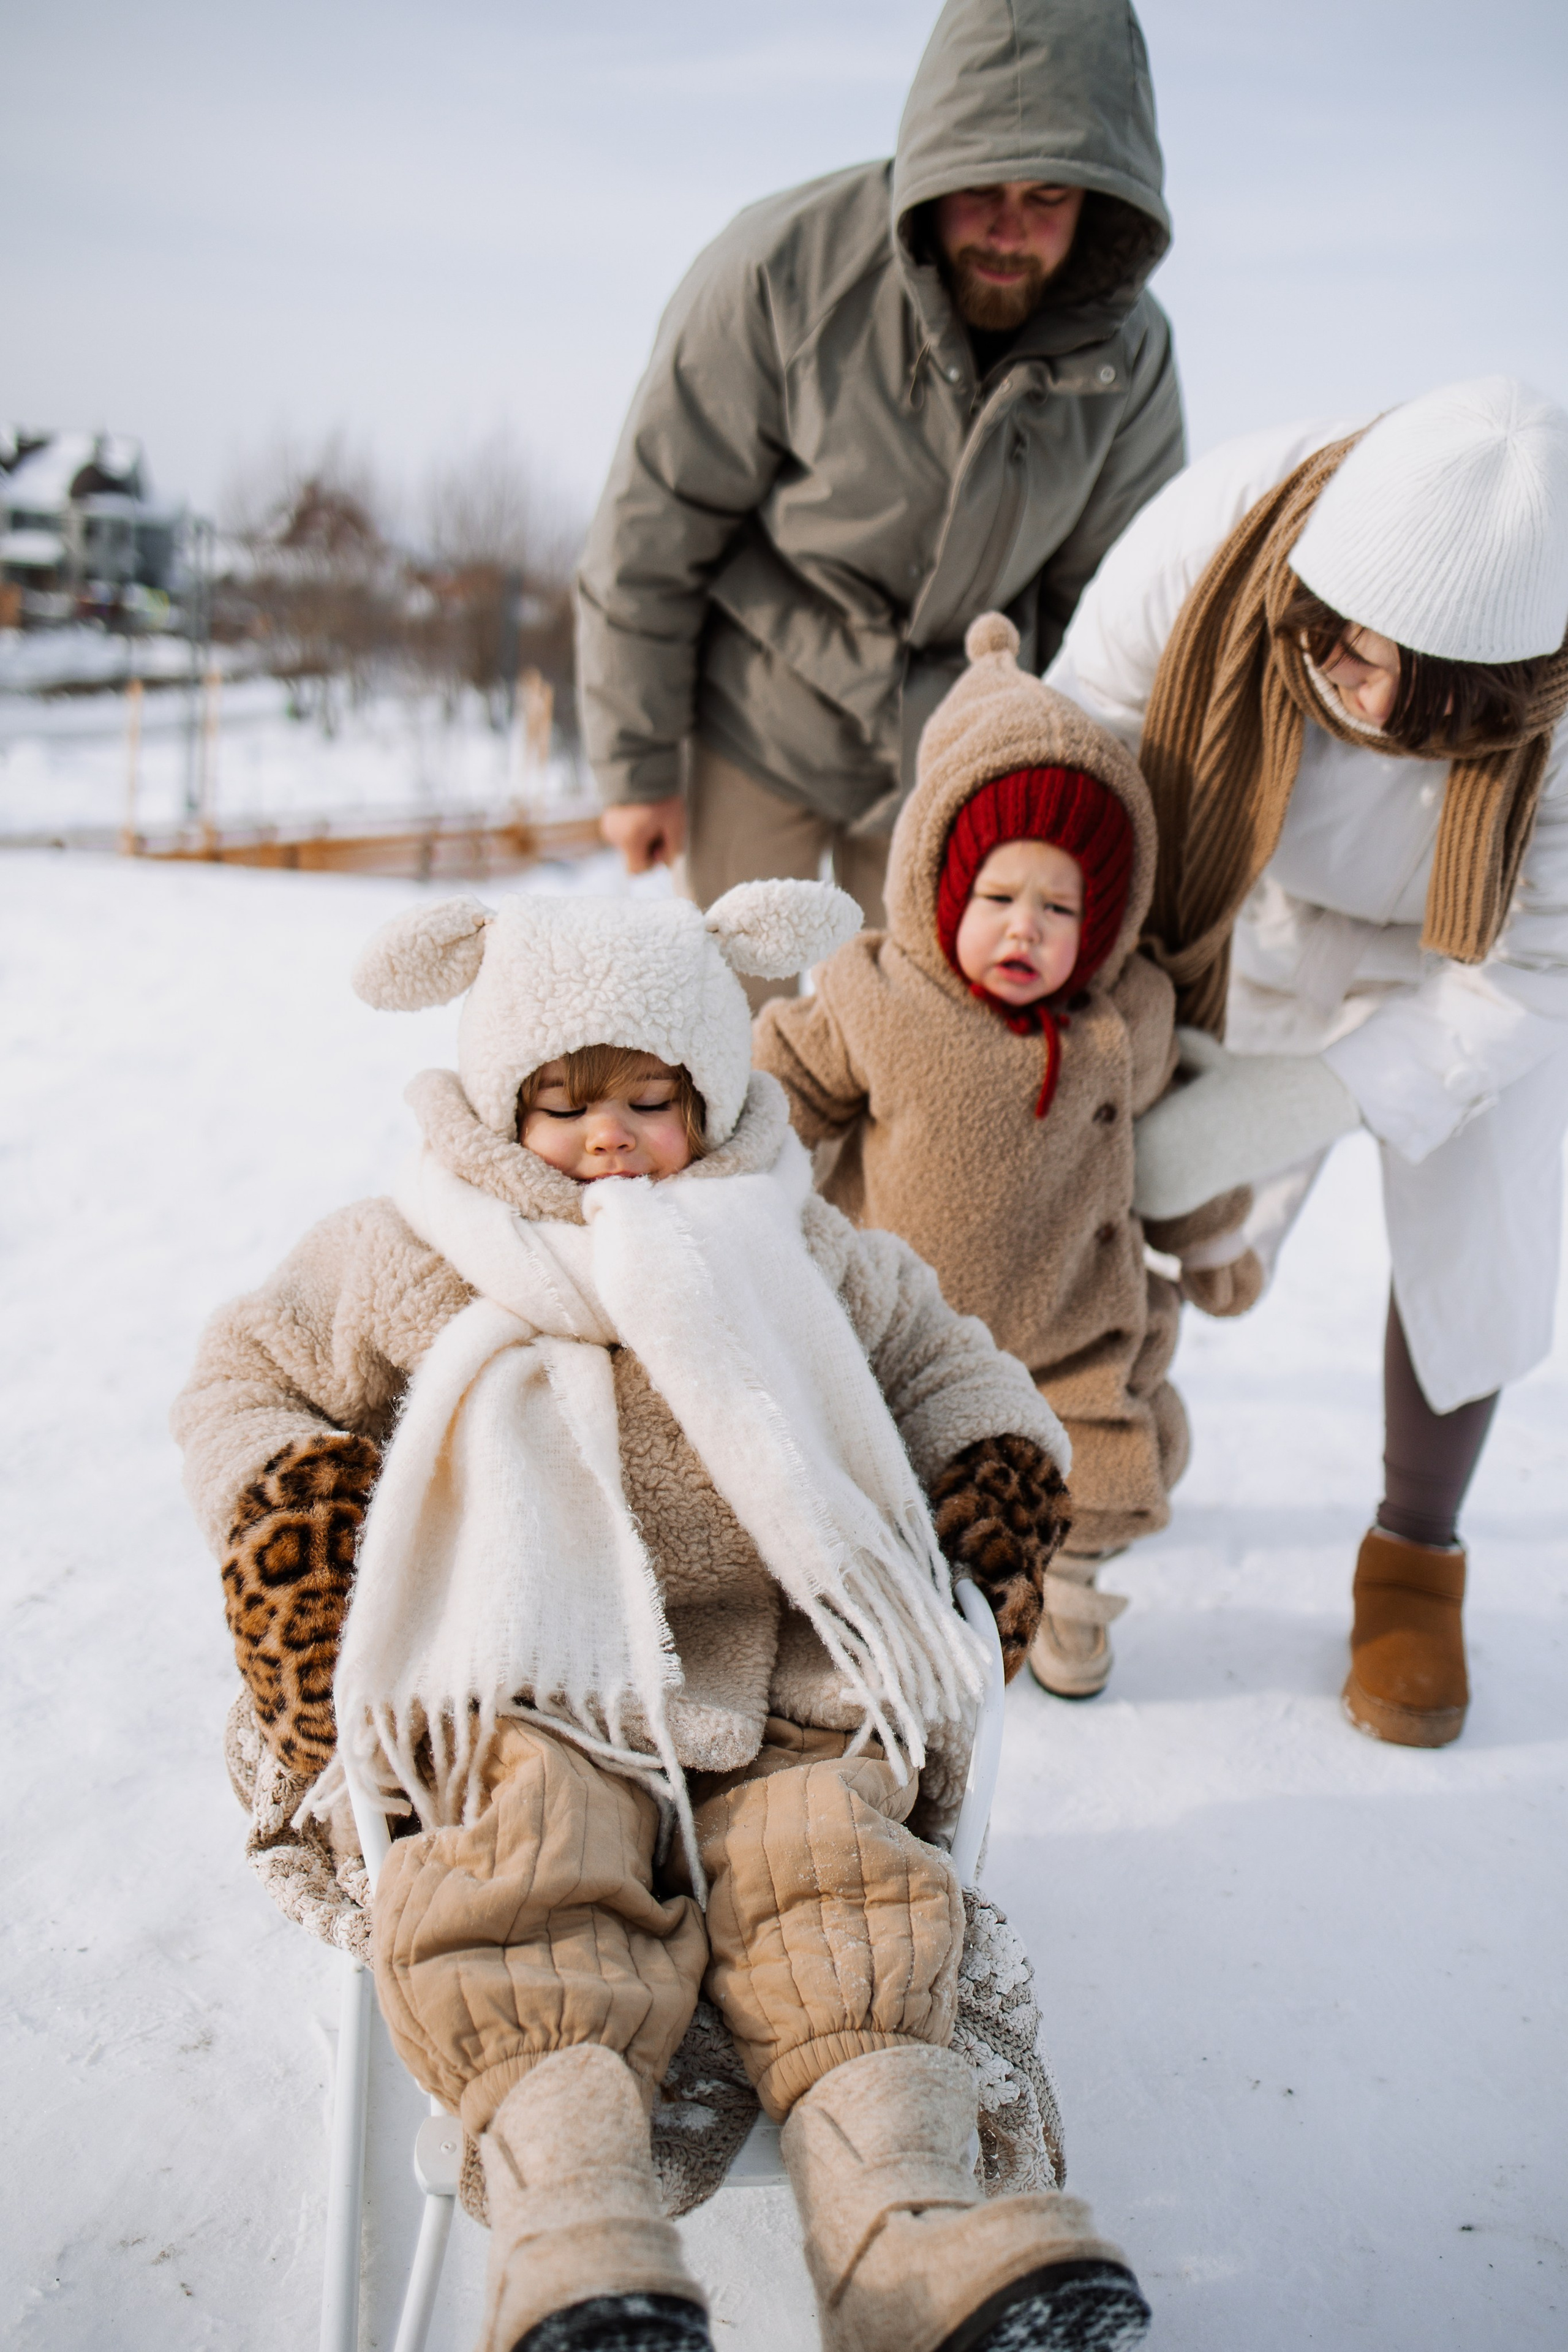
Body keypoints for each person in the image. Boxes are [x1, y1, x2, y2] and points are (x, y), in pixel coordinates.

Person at [172, 882, 1157, 2352]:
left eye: (651, 1101)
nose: (608, 1139)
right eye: (563, 1105)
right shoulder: (412, 1246)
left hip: (774, 1682)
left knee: (838, 1884)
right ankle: (574, 2236)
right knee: (519, 1869)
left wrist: (988, 1476)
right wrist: (296, 1516)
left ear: (711, 1097)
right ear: (502, 1102)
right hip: (522, 1675)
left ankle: (904, 2235)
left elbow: (942, 1357)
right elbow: (242, 1376)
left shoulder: (789, 1240)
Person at [1044, 374, 1568, 1749]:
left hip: (1474, 955)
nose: (1346, 682)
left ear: (1493, 688)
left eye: (1395, 676)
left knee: (1478, 1247)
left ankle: (1415, 1557)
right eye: (1337, 644)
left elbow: (1540, 964)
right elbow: (1078, 733)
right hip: (1246, 896)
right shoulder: (1229, 532)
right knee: (1132, 1190)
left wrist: (1308, 1099)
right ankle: (1062, 1512)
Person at [579, 0, 1183, 987]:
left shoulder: (1133, 357)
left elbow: (1118, 613)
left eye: (1048, 196)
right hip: (759, 717)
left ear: (1102, 202)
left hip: (952, 757)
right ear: (934, 161)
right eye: (980, 188)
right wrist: (635, 764)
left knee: (917, 1035)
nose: (1010, 228)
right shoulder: (779, 271)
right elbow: (654, 526)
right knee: (731, 1023)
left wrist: (1072, 799)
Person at [755, 613, 1260, 1701]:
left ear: (1106, 918)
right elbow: (784, 1078)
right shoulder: (878, 996)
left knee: (1095, 1454)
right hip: (901, 1317)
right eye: (997, 897)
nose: (1024, 928)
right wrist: (726, 1166)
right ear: (939, 886)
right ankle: (889, 1592)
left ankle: (1068, 1585)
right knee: (875, 1451)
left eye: (1059, 906)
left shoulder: (1127, 1021)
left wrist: (1212, 1241)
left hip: (1071, 1320)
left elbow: (1178, 1143)